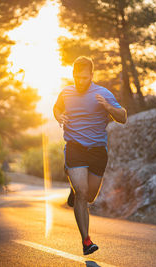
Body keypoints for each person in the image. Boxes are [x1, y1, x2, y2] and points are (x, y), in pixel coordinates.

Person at [53, 56, 127, 255]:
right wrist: (59, 116)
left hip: (97, 151)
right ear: (73, 75)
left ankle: (74, 191)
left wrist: (109, 108)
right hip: (75, 147)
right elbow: (57, 108)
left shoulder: (102, 93)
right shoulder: (66, 92)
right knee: (83, 193)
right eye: (77, 77)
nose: (80, 81)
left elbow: (123, 117)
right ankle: (86, 242)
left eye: (84, 77)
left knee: (90, 196)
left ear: (91, 76)